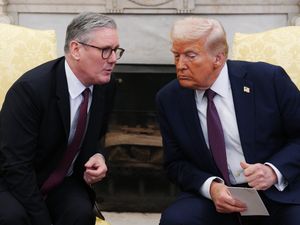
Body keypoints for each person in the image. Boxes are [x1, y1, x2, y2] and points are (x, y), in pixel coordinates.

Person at [156, 16, 300, 225]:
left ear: (218, 58)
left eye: (190, 56)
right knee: (176, 220)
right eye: (176, 55)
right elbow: (175, 163)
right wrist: (211, 187)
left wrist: (273, 170)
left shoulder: (268, 79)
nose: (180, 65)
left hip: (277, 193)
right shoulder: (169, 98)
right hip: (215, 199)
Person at [0, 12, 124, 225]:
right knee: (14, 218)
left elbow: (98, 136)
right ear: (76, 49)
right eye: (105, 50)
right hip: (13, 180)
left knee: (80, 212)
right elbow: (15, 165)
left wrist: (99, 156)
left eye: (116, 50)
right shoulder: (30, 90)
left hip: (61, 181)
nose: (113, 59)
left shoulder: (106, 85)